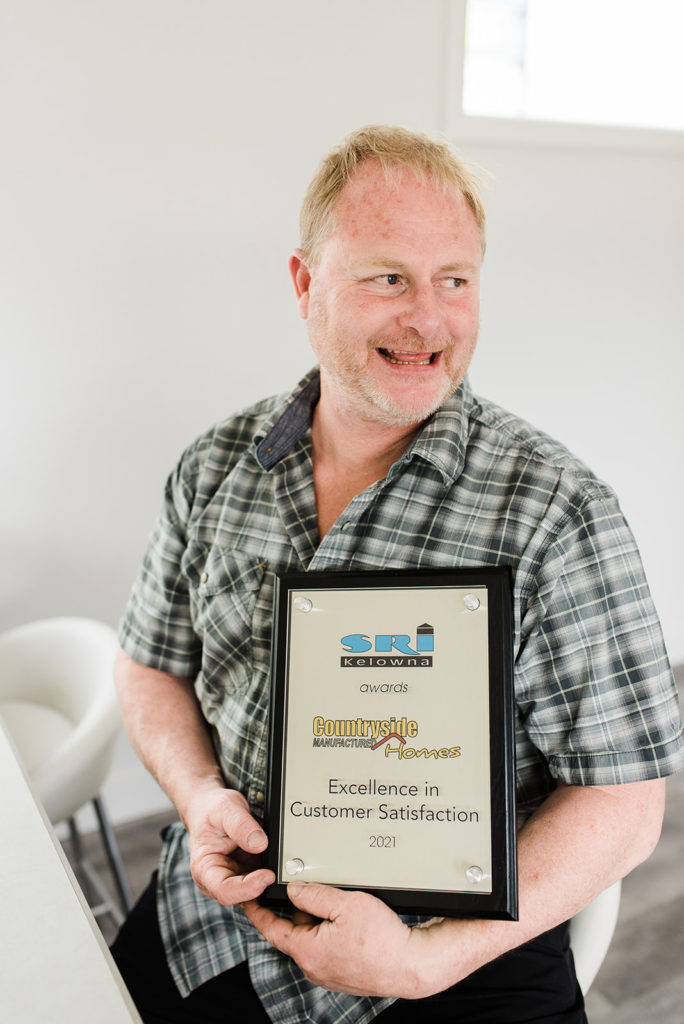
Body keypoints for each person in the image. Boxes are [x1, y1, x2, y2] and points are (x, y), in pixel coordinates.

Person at [112, 125, 684, 1024]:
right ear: (305, 285)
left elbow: (624, 798)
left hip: (453, 952)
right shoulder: (213, 468)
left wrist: (420, 962)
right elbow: (148, 665)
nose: (427, 319)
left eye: (453, 280)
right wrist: (199, 795)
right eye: (388, 278)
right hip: (219, 922)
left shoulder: (557, 511)